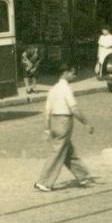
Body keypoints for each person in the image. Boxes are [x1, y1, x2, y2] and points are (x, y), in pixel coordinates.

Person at [34, 63, 94, 192]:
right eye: (72, 72)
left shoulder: (53, 89)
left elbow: (47, 110)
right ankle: (44, 182)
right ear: (65, 73)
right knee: (57, 152)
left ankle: (82, 176)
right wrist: (86, 123)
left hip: (54, 122)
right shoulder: (66, 89)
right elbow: (74, 109)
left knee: (67, 150)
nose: (74, 75)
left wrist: (47, 128)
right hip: (64, 121)